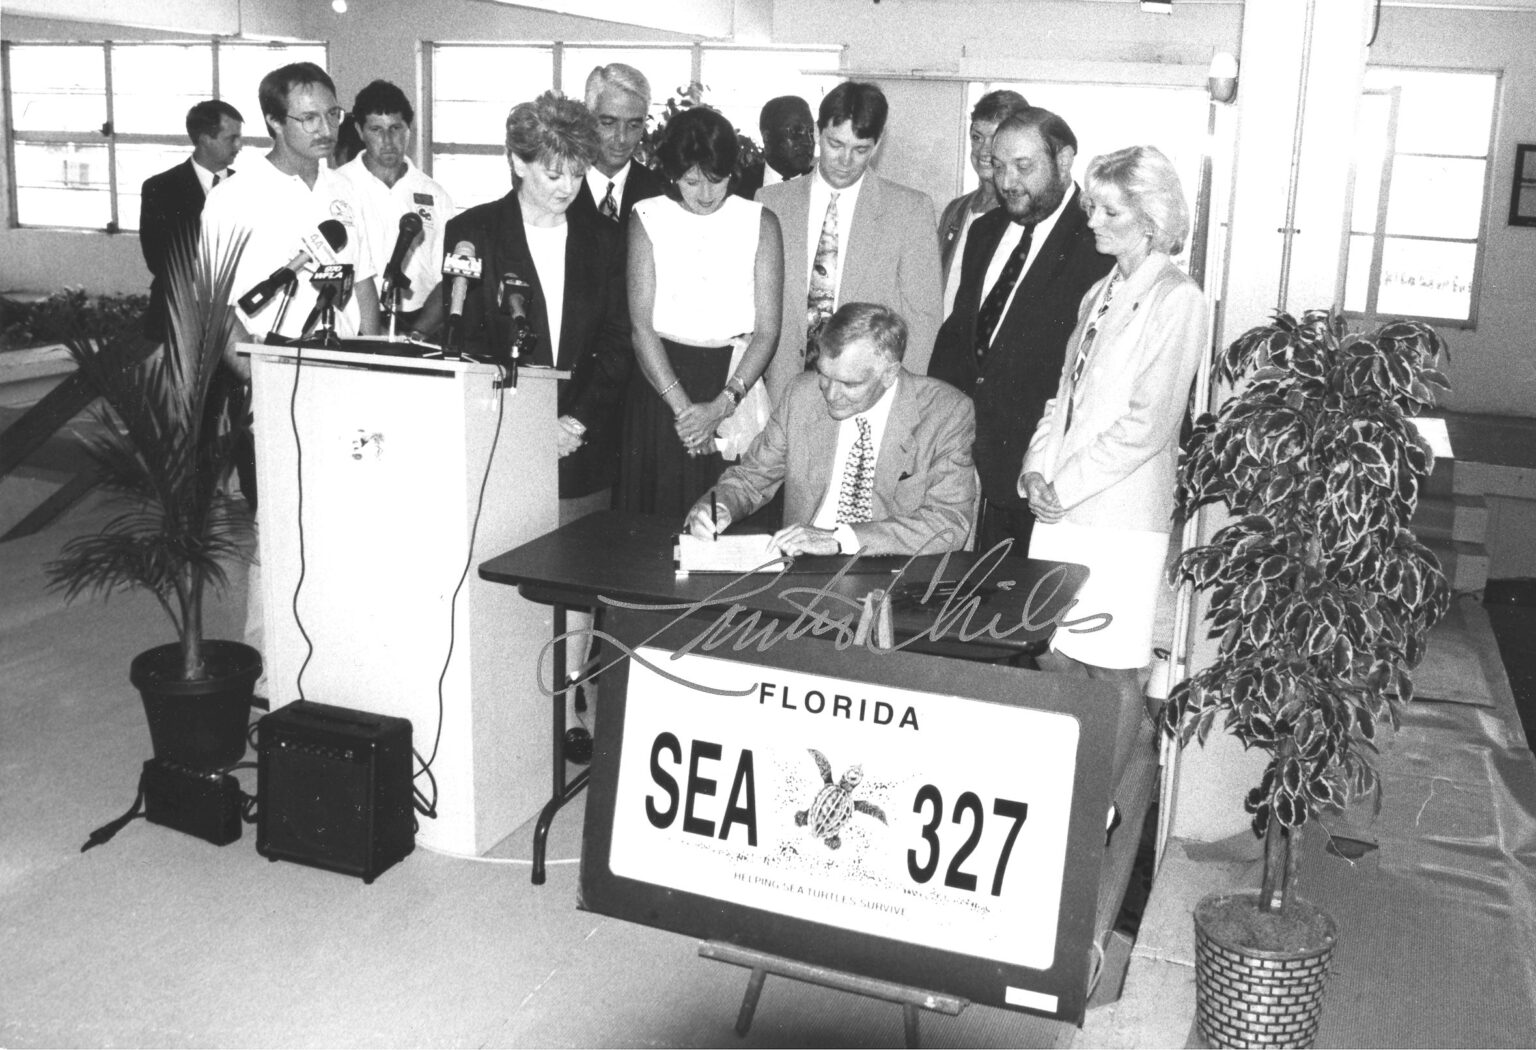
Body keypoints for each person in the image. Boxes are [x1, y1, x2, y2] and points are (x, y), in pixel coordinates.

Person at [1020, 145, 1206, 786]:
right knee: (1054, 651)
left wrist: (1062, 485)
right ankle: (1067, 782)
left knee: (1113, 667)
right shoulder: (1099, 292)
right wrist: (1034, 470)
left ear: (1151, 220)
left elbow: (1149, 424)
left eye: (1109, 211)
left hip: (1120, 515)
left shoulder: (1177, 299)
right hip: (1061, 505)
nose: (1092, 220)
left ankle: (1098, 796)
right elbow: (1062, 398)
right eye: (1092, 207)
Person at [928, 106, 1112, 560]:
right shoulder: (985, 231)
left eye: (1023, 166)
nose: (1007, 181)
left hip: (1040, 473)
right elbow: (959, 336)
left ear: (1064, 160)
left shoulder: (1099, 244)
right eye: (998, 165)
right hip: (964, 461)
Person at [442, 91, 630, 520]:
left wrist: (574, 423)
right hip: (500, 442)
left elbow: (618, 343)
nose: (568, 188)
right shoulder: (473, 231)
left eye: (578, 174)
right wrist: (533, 424)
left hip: (581, 450)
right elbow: (467, 343)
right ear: (518, 162)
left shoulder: (605, 239)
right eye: (554, 175)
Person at [686, 302, 976, 558]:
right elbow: (750, 479)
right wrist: (718, 506)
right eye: (824, 375)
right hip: (803, 569)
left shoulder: (945, 412)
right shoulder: (801, 395)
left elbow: (949, 522)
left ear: (889, 374)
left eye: (850, 384)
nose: (831, 394)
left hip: (892, 571)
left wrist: (840, 539)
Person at [618, 105, 783, 518]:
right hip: (662, 384)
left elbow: (768, 330)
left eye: (717, 179)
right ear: (672, 173)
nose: (706, 194)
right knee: (655, 526)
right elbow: (641, 327)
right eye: (691, 181)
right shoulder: (648, 216)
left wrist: (720, 408)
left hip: (733, 383)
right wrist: (686, 415)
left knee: (725, 516)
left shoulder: (760, 221)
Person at [758, 80, 943, 405]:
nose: (845, 160)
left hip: (868, 393)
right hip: (783, 391)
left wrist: (895, 399)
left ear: (878, 143)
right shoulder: (771, 203)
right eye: (835, 144)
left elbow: (924, 320)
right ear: (818, 132)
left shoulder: (910, 209)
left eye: (860, 149)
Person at [203, 62, 381, 348]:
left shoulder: (346, 189)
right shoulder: (231, 198)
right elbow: (215, 307)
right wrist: (254, 368)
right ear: (275, 121)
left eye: (332, 114)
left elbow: (362, 283)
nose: (326, 129)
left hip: (344, 355)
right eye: (309, 118)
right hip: (272, 355)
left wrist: (372, 357)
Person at [335, 79, 454, 338]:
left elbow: (448, 277)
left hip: (422, 323)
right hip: (357, 320)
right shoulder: (338, 186)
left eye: (396, 128)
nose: (388, 140)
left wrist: (418, 333)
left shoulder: (435, 194)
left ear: (409, 129)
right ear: (359, 131)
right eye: (376, 129)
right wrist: (371, 331)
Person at [139, 99, 243, 341]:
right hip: (179, 316)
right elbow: (158, 258)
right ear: (205, 139)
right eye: (232, 138)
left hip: (239, 317)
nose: (239, 145)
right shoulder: (160, 188)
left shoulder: (247, 187)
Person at [938, 89, 1029, 318]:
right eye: (977, 137)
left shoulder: (1024, 215)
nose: (984, 151)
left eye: (996, 139)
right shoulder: (956, 210)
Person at [568, 63, 667, 231]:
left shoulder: (660, 192)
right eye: (609, 123)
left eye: (633, 125)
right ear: (588, 118)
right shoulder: (558, 187)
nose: (621, 138)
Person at [732, 95, 815, 200]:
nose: (808, 142)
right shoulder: (736, 187)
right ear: (767, 137)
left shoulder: (823, 185)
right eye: (795, 132)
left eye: (811, 132)